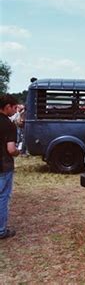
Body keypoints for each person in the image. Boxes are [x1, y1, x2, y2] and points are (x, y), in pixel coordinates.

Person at [0, 94, 20, 239]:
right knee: (2, 197)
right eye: (14, 108)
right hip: (3, 165)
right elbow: (11, 149)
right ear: (7, 107)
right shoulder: (9, 125)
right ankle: (1, 230)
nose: (15, 110)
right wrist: (18, 152)